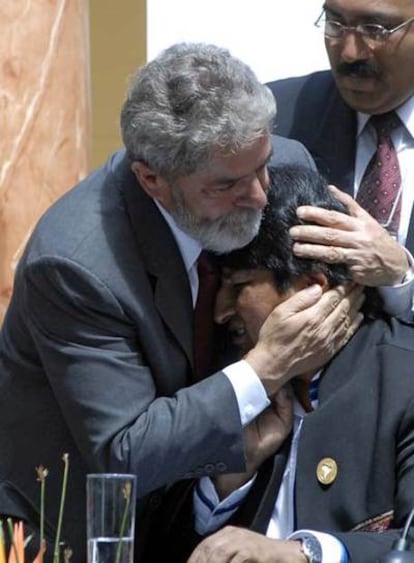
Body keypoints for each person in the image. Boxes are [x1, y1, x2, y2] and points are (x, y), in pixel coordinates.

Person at [0, 43, 363, 562]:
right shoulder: (76, 265)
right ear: (153, 180)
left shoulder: (278, 164)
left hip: (214, 516)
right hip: (81, 533)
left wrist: (398, 274)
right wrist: (266, 366)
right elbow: (123, 451)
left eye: (261, 165)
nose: (261, 194)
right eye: (229, 185)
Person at [152, 165, 414, 563]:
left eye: (239, 286)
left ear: (311, 288)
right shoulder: (236, 381)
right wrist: (226, 484)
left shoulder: (401, 377)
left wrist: (303, 554)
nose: (220, 312)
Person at [266, 0, 414, 295]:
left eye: (376, 29)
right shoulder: (273, 117)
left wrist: (402, 278)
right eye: (335, 23)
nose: (349, 52)